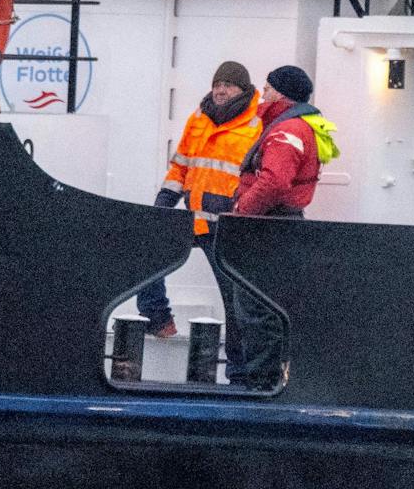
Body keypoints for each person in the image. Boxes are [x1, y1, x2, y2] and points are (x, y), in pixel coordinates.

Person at [224, 65, 339, 389]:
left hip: (266, 228)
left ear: (281, 93)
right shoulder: (299, 126)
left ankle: (260, 385)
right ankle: (266, 381)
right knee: (268, 306)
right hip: (280, 226)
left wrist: (241, 212)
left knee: (256, 307)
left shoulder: (285, 131)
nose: (262, 94)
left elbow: (273, 182)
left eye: (267, 88)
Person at [138, 61, 261, 340]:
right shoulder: (199, 118)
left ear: (243, 90)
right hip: (194, 220)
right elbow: (181, 165)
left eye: (228, 85)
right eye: (217, 84)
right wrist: (164, 203)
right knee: (148, 250)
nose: (220, 90)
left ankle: (239, 373)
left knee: (235, 301)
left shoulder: (257, 123)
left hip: (228, 227)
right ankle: (157, 318)